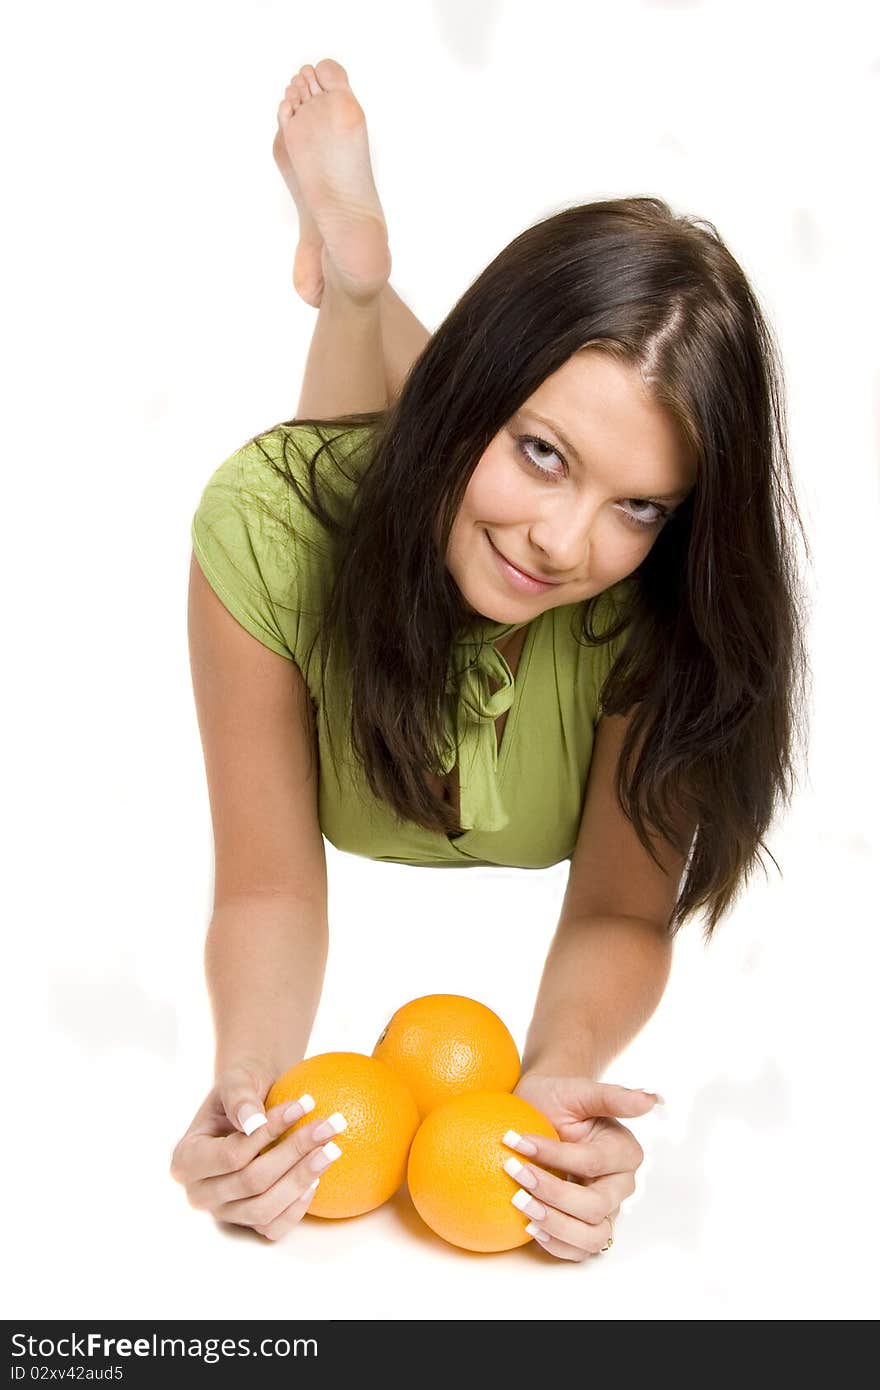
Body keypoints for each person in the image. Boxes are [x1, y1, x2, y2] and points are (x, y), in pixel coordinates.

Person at [169, 59, 810, 1261]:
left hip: (442, 443)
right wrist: (251, 1082)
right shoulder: (264, 526)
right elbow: (266, 883)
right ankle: (358, 287)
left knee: (434, 470)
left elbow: (626, 904)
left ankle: (364, 290)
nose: (565, 546)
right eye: (548, 452)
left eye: (640, 506)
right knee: (355, 479)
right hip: (368, 499)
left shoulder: (669, 619)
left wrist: (557, 1079)